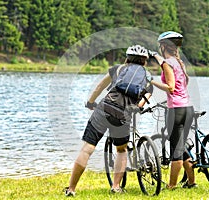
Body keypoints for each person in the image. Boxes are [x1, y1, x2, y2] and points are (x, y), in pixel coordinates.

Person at [64, 45, 153, 197]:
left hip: (104, 109)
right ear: (145, 61)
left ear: (127, 57)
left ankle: (71, 189)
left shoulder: (117, 69)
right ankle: (116, 186)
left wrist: (91, 102)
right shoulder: (148, 77)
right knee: (121, 150)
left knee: (87, 149)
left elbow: (100, 86)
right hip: (123, 115)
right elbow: (143, 100)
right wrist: (135, 108)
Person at [149, 31, 197, 189]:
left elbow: (170, 87)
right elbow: (186, 81)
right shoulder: (179, 63)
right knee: (181, 147)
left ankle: (171, 185)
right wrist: (156, 56)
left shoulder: (168, 64)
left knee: (175, 151)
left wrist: (152, 82)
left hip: (175, 110)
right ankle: (191, 183)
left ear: (163, 46)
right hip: (188, 108)